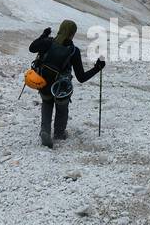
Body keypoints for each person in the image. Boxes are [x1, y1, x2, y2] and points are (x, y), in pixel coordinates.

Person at [28, 20, 104, 148]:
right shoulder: (73, 51)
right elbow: (81, 77)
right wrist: (97, 68)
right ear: (72, 34)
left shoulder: (47, 42)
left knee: (47, 104)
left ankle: (45, 131)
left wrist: (43, 35)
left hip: (44, 84)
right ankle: (59, 133)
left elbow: (32, 48)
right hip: (61, 87)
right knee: (62, 108)